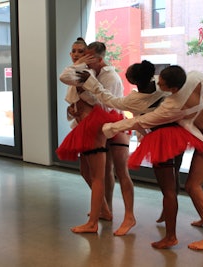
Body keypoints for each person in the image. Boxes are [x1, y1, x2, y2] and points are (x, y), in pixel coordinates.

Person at [102, 65, 203, 250]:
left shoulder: (173, 104)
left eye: (162, 83)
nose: (158, 83)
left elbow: (144, 120)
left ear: (172, 88)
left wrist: (112, 127)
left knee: (192, 185)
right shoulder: (195, 76)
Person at [78, 60, 203, 249]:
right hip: (179, 135)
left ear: (132, 81)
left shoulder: (135, 100)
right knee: (174, 180)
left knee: (168, 190)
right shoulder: (163, 87)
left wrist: (91, 83)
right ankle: (167, 214)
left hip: (161, 140)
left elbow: (110, 100)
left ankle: (171, 236)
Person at [82, 41, 136, 236]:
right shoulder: (93, 74)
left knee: (121, 171)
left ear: (99, 58)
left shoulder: (110, 76)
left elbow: (108, 106)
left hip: (115, 125)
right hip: (103, 127)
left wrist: (86, 100)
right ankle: (107, 208)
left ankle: (128, 215)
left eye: (88, 57)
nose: (84, 61)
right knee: (103, 171)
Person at [59, 38, 112, 221]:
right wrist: (72, 109)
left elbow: (64, 77)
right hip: (82, 125)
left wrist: (81, 64)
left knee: (97, 174)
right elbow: (74, 98)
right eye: (73, 51)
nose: (76, 55)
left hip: (92, 125)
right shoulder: (79, 71)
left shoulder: (85, 71)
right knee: (85, 171)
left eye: (80, 52)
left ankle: (96, 219)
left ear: (89, 56)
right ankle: (103, 209)